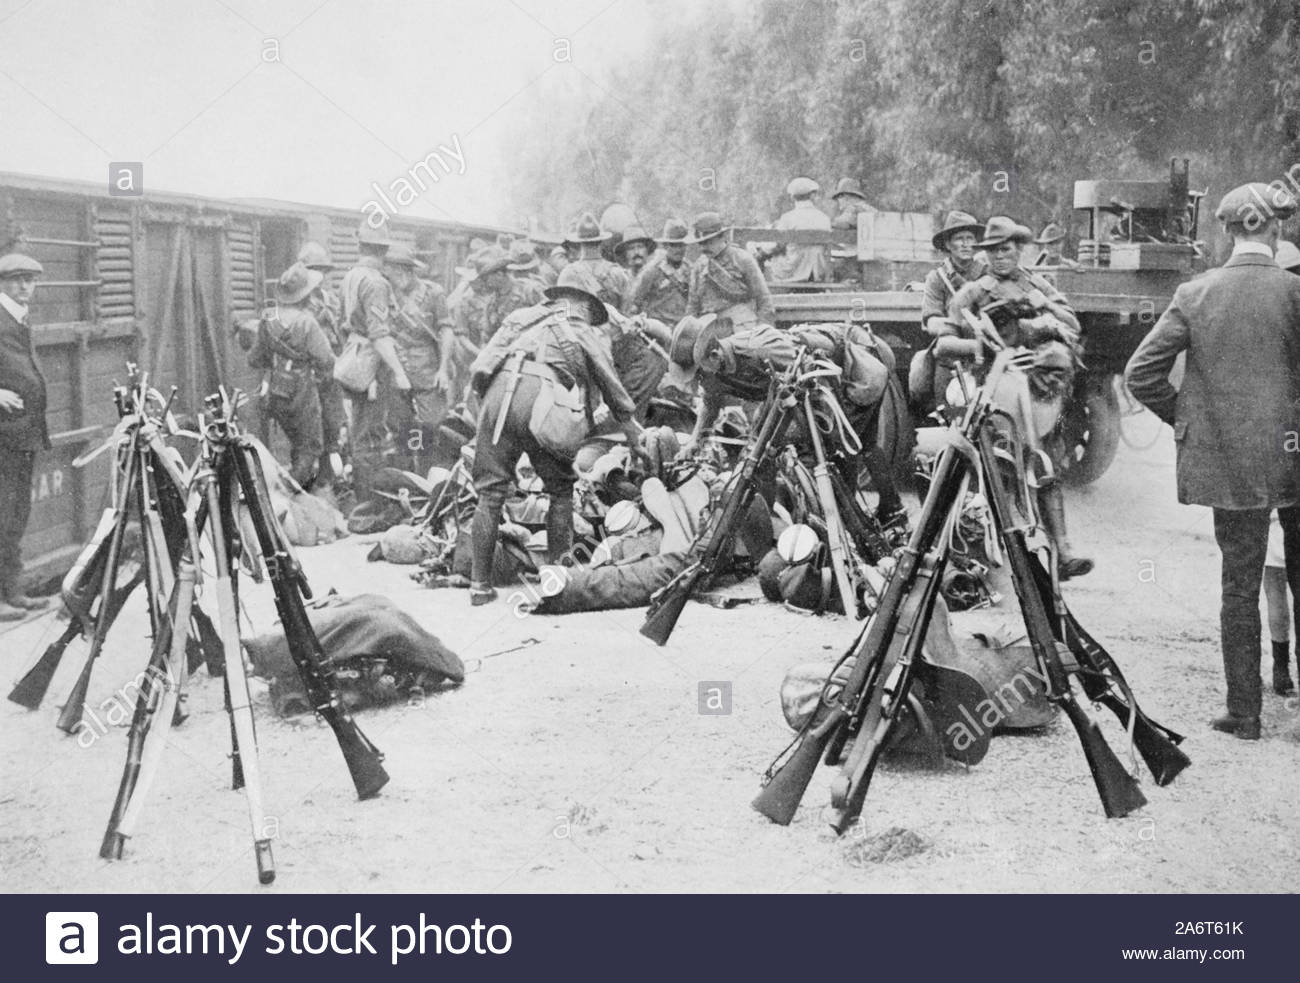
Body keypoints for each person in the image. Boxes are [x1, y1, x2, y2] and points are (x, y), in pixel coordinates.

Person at [1126, 182, 1300, 741]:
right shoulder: (1295, 294)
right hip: (1294, 459)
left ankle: (1244, 714)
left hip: (1229, 464)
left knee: (1238, 587)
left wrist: (1188, 424)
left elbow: (1140, 375)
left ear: (1226, 231)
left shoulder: (1195, 294)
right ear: (1276, 229)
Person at [466, 284, 643, 606]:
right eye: (592, 312)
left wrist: (488, 412)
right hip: (541, 396)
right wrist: (632, 430)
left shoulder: (521, 317)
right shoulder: (581, 329)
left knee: (490, 493)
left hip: (497, 391)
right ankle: (556, 580)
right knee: (560, 489)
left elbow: (480, 368)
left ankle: (479, 586)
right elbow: (609, 383)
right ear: (582, 307)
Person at [947, 216, 1092, 579]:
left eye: (1006, 249)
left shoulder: (1037, 283)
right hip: (993, 386)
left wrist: (1043, 305)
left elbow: (1072, 325)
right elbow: (943, 343)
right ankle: (993, 554)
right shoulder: (973, 292)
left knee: (1047, 462)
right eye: (993, 251)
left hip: (1038, 386)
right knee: (996, 466)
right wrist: (979, 344)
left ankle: (1063, 550)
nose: (999, 257)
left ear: (1019, 249)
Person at [339, 219, 411, 500]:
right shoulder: (375, 282)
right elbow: (379, 336)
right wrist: (400, 373)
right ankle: (370, 507)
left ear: (360, 246)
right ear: (383, 250)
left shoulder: (351, 276)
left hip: (356, 358)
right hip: (372, 366)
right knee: (371, 437)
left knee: (361, 432)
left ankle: (364, 501)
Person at [248, 263, 335, 488]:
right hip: (302, 389)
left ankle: (291, 484)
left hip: (276, 387)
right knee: (310, 445)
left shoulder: (268, 319)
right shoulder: (307, 323)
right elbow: (326, 360)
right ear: (304, 294)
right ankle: (292, 489)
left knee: (293, 441)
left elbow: (255, 358)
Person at [0, 252, 50, 618]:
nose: (24, 286)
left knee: (16, 514)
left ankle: (12, 593)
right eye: (17, 279)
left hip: (23, 433)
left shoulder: (19, 317)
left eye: (30, 280)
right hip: (4, 435)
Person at [385, 243, 455, 473]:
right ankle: (408, 476)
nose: (395, 278)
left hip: (427, 369)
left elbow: (446, 331)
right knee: (400, 425)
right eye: (391, 272)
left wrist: (443, 369)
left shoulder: (433, 293)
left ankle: (428, 472)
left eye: (399, 272)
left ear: (410, 270)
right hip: (397, 369)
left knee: (431, 424)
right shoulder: (386, 294)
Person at [913, 210, 987, 413]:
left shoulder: (986, 274)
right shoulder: (938, 278)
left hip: (984, 360)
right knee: (950, 419)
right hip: (951, 360)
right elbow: (931, 322)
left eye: (970, 238)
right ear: (947, 244)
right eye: (959, 239)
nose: (965, 244)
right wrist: (958, 326)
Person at [297, 241, 348, 490]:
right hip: (307, 376)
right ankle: (303, 483)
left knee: (332, 425)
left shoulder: (331, 299)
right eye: (313, 269)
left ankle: (328, 480)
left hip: (331, 373)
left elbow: (342, 331)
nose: (320, 276)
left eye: (323, 271)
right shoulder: (296, 300)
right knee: (307, 433)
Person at [687, 211, 775, 326]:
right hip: (709, 328)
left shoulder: (742, 259)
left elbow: (763, 299)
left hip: (741, 325)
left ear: (722, 237)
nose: (703, 248)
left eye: (708, 242)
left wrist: (762, 332)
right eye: (700, 244)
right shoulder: (699, 266)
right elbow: (693, 305)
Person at [559, 213, 631, 312]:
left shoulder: (568, 274)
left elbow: (562, 314)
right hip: (613, 326)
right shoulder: (618, 273)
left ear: (579, 242)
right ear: (601, 241)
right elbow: (627, 311)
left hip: (580, 326)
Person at [765, 176, 831, 283]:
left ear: (792, 197)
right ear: (812, 196)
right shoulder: (824, 218)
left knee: (771, 258)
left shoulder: (788, 218)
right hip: (818, 270)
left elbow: (777, 245)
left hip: (793, 270)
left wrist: (761, 253)